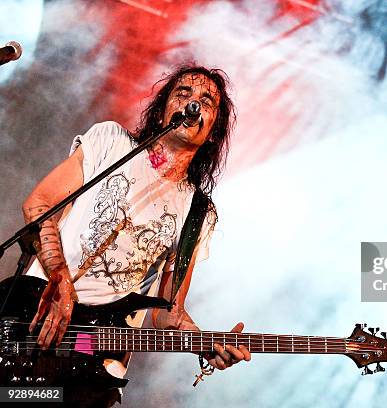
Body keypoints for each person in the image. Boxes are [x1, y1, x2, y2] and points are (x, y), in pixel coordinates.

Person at [21, 64, 250, 406]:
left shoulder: (197, 213)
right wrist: (59, 277)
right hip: (34, 321)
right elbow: (39, 205)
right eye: (183, 94)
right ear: (163, 113)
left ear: (214, 130)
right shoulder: (110, 143)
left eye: (207, 101)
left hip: (94, 350)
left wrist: (206, 344)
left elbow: (168, 312)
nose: (193, 103)